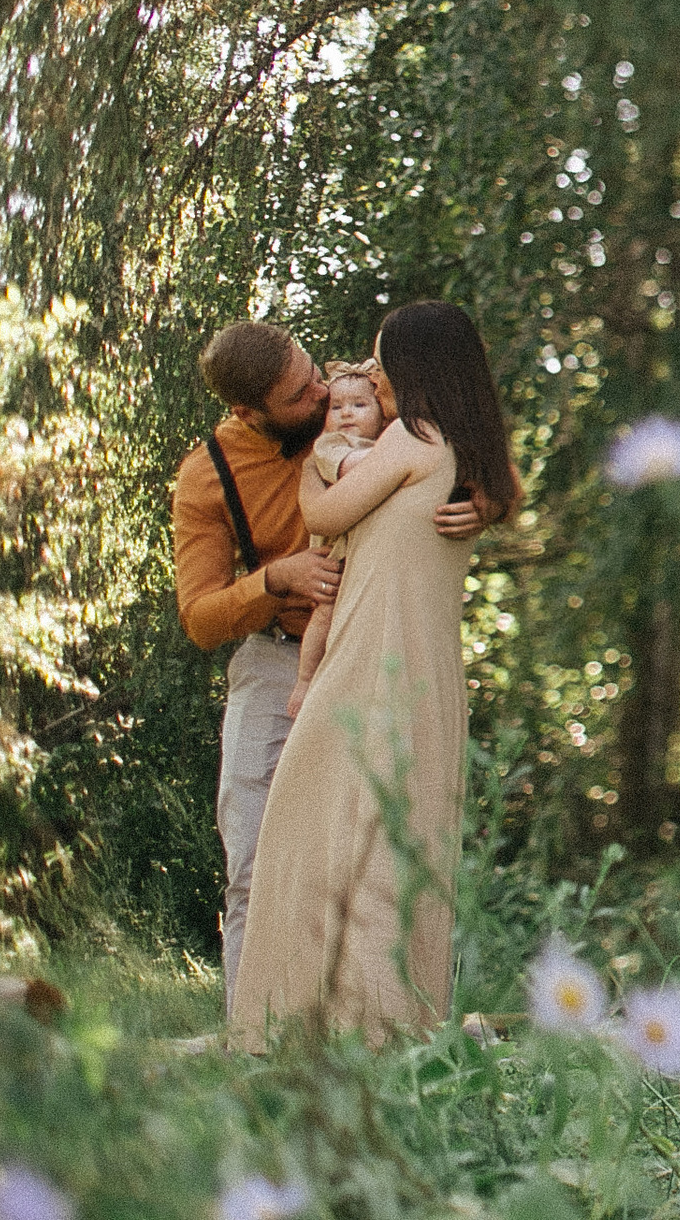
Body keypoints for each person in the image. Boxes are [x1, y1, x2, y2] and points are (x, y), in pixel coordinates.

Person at [171, 321, 489, 1016]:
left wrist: (492, 501)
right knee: (257, 852)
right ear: (249, 411)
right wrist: (275, 579)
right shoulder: (206, 475)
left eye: (316, 372)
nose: (322, 394)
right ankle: (250, 1030)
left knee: (367, 844)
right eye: (301, 391)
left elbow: (466, 437)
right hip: (278, 659)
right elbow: (198, 616)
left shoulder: (364, 410)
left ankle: (352, 1021)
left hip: (369, 650)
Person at [287, 360, 387, 720]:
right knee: (324, 614)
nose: (347, 414)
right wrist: (399, 454)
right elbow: (351, 466)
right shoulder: (330, 445)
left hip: (368, 554)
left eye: (360, 405)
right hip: (335, 552)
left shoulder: (386, 440)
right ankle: (303, 681)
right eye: (336, 406)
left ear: (380, 409)